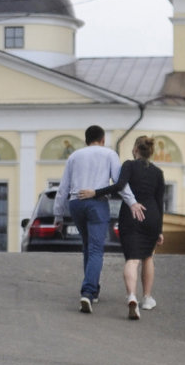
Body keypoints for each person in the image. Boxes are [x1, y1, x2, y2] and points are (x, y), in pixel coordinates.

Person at [53, 125, 142, 314]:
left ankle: (92, 290)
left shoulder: (74, 156)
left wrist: (58, 215)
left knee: (87, 245)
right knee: (95, 248)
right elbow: (120, 184)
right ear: (102, 140)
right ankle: (88, 291)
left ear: (86, 140)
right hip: (97, 203)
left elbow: (63, 188)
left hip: (76, 203)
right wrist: (132, 202)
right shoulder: (109, 154)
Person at [77, 135, 164, 320]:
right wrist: (160, 229)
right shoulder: (158, 172)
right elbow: (160, 201)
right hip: (152, 217)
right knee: (147, 257)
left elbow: (119, 186)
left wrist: (96, 192)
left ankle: (131, 296)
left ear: (135, 149)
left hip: (131, 215)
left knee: (132, 260)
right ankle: (147, 298)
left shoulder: (129, 166)